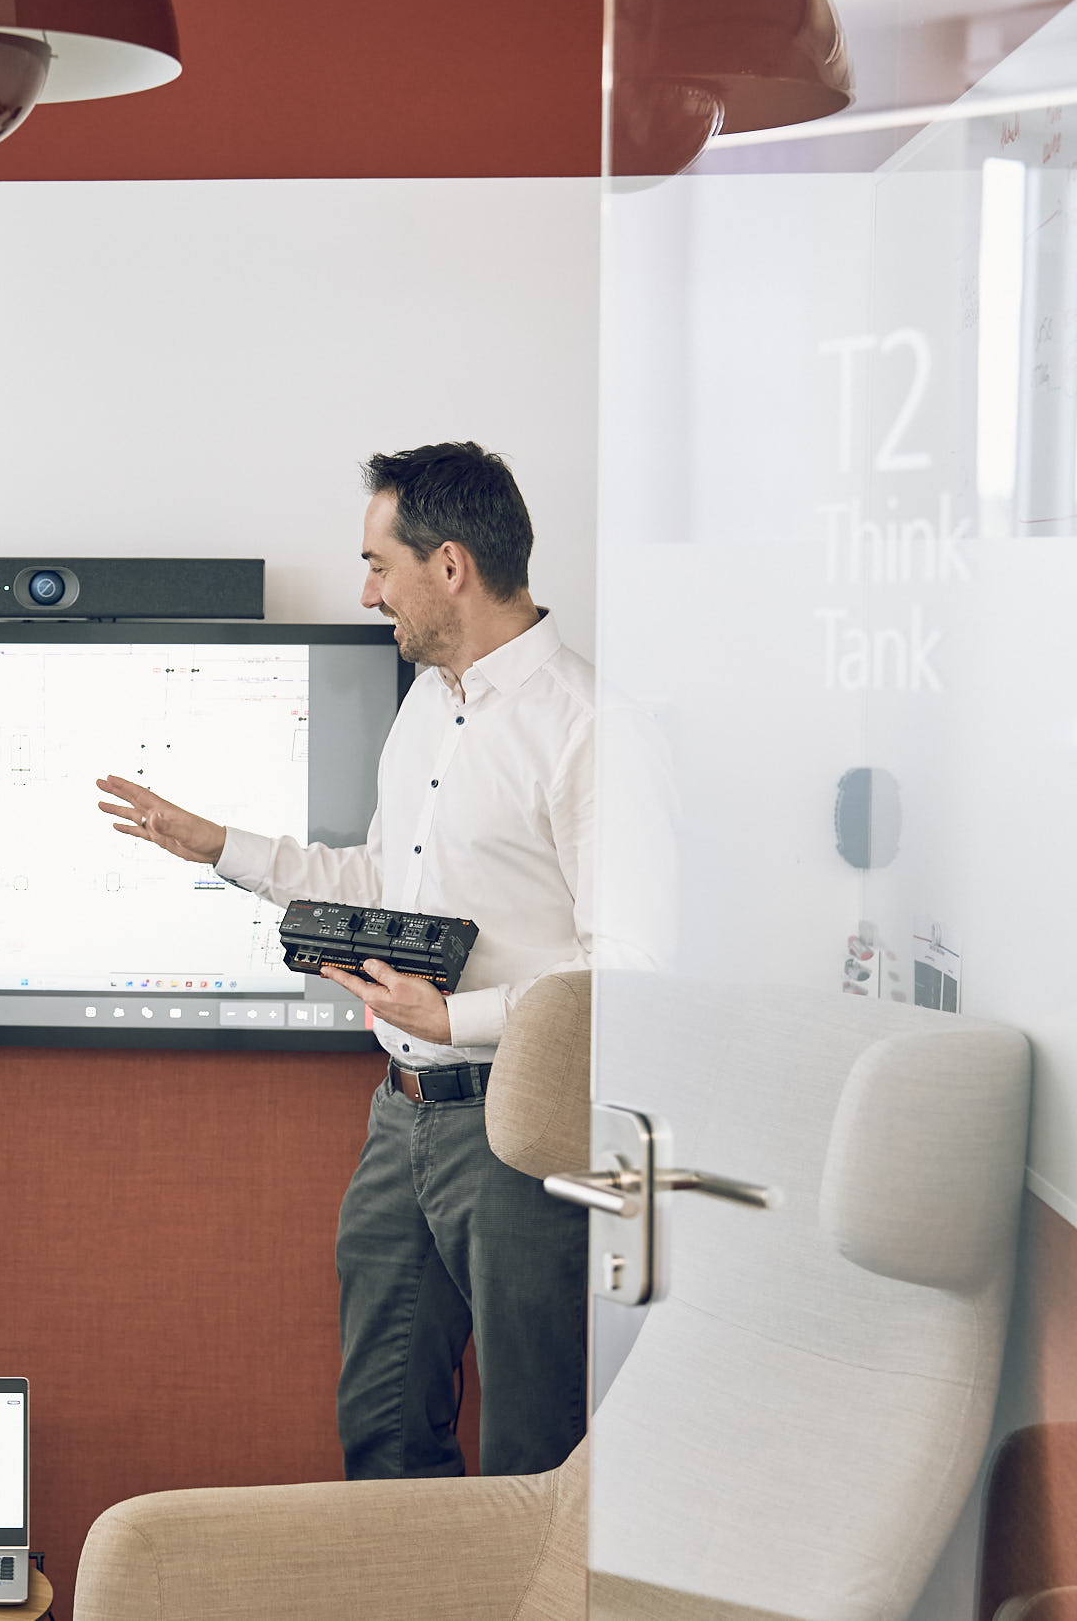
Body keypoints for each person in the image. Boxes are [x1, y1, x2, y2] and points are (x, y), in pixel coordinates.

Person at [94, 441, 667, 1479]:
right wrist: (219, 846)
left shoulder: (592, 728)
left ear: (449, 565)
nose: (366, 593)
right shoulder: (428, 703)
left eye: (376, 564)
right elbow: (379, 878)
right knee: (382, 1429)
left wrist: (459, 1018)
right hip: (399, 1114)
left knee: (532, 1451)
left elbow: (628, 969)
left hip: (519, 1125)